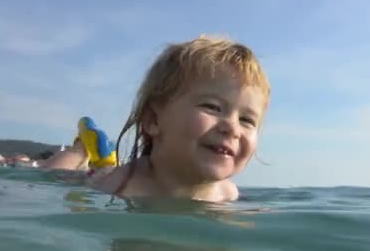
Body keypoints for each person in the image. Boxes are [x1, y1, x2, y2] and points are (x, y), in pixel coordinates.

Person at [43, 35, 271, 203]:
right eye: (212, 107)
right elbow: (48, 186)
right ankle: (80, 150)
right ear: (153, 120)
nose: (232, 128)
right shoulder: (117, 185)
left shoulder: (228, 194)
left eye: (247, 120)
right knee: (58, 176)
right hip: (98, 174)